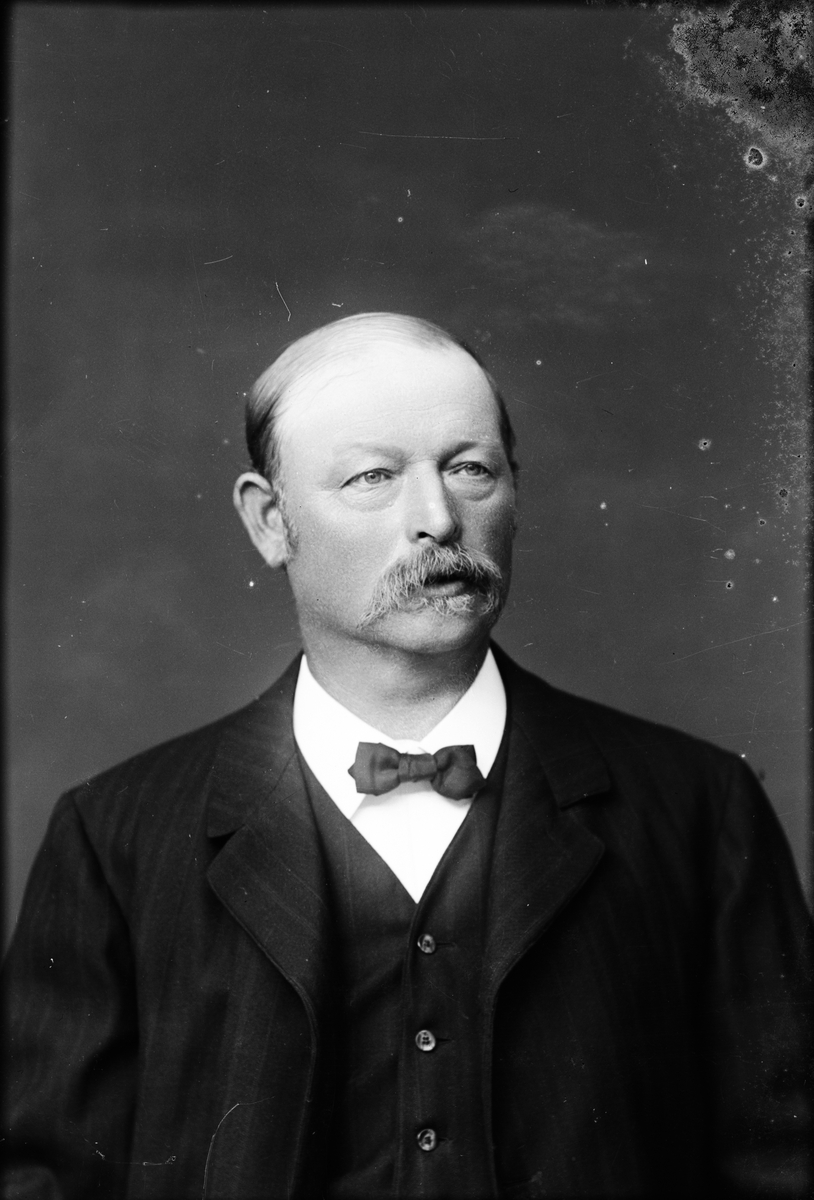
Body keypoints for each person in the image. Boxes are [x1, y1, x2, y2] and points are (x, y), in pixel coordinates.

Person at [2, 312, 811, 1200]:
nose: (437, 519)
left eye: (471, 469)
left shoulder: (699, 809)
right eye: (373, 477)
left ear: (515, 494)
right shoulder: (114, 837)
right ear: (270, 521)